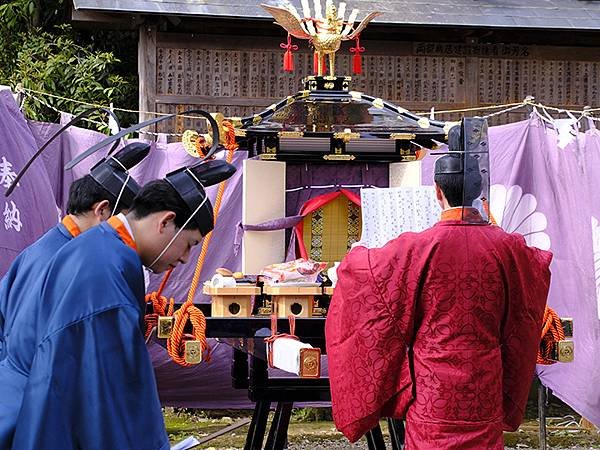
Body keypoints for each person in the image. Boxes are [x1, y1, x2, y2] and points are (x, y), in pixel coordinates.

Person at [325, 129, 553, 449]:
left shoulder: (417, 248)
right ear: (479, 192)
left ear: (436, 191)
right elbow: (538, 267)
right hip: (482, 394)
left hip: (433, 396)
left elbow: (359, 272)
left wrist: (352, 256)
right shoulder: (507, 247)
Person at [0, 157, 235, 450]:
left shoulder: (94, 245)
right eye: (189, 244)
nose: (186, 258)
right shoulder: (108, 267)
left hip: (29, 397)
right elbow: (111, 388)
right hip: (45, 411)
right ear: (165, 221)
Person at [0, 141, 150, 361]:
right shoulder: (67, 261)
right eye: (123, 226)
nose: (125, 239)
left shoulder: (41, 249)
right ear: (102, 210)